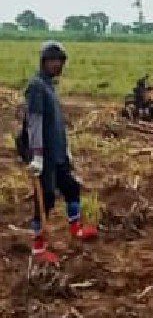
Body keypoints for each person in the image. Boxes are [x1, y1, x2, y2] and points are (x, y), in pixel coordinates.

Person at [20, 41, 98, 264]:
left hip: (57, 152)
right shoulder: (36, 86)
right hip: (44, 154)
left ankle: (76, 228)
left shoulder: (49, 86)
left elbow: (57, 124)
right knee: (45, 198)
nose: (58, 65)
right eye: (54, 61)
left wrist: (66, 150)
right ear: (44, 62)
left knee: (71, 188)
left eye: (61, 62)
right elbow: (34, 122)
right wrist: (36, 155)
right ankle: (38, 248)